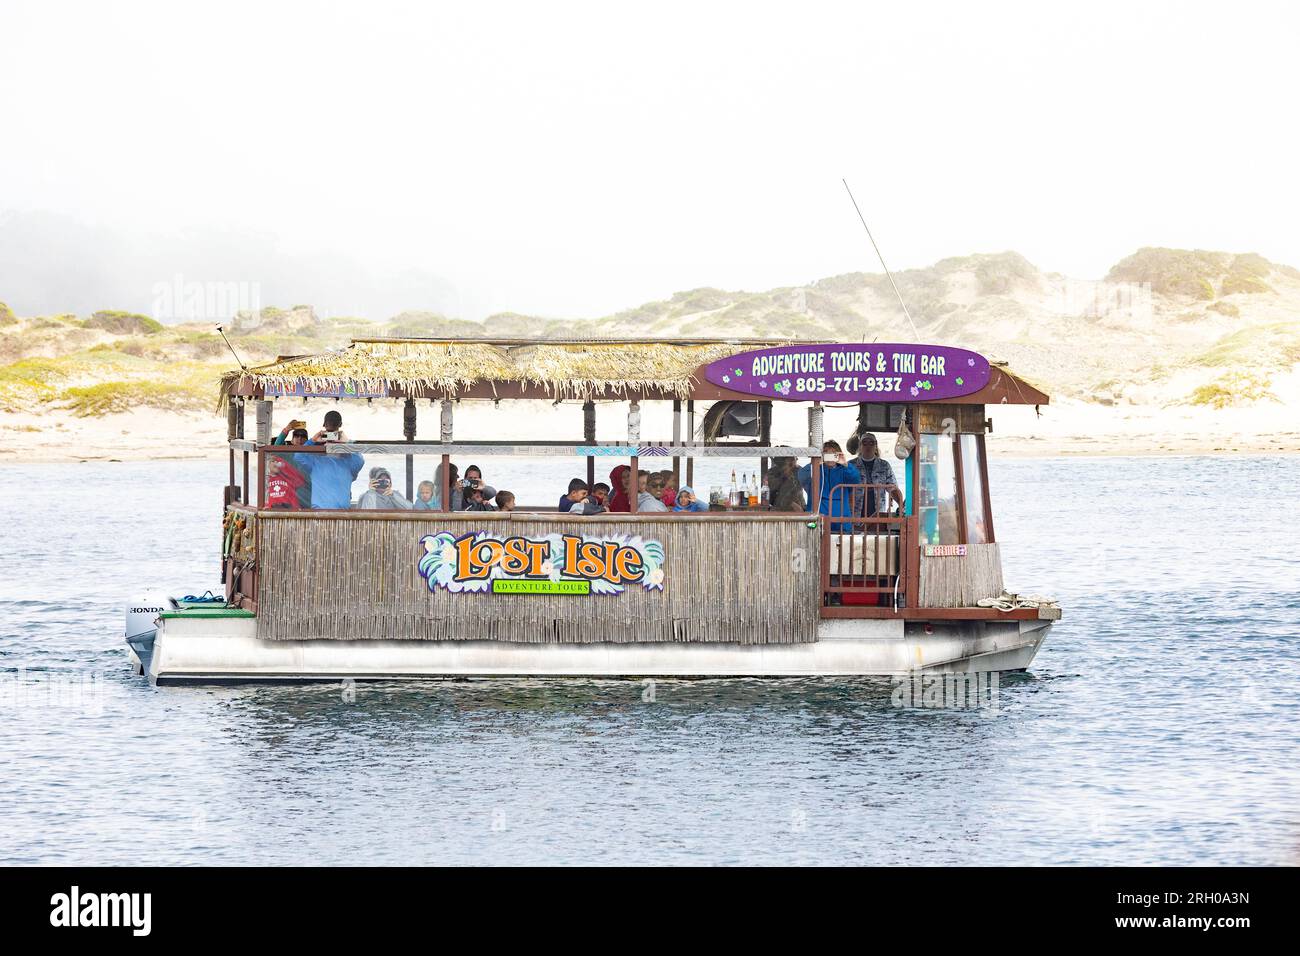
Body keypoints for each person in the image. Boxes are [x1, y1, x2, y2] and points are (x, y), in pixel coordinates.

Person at [293, 425, 364, 509]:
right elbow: (298, 456)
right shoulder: (316, 461)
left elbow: (360, 461)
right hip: (319, 513)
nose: (332, 444)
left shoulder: (348, 463)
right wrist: (313, 440)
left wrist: (347, 442)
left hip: (343, 514)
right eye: (328, 441)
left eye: (336, 441)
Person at [797, 441, 862, 530]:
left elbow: (856, 479)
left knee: (842, 542)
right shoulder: (816, 469)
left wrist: (846, 464)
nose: (830, 455)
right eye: (826, 453)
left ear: (838, 455)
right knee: (813, 540)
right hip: (817, 519)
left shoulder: (844, 470)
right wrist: (815, 462)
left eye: (833, 453)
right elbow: (802, 476)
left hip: (841, 520)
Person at [847, 431, 905, 515]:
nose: (868, 446)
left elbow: (893, 488)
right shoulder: (851, 465)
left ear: (875, 445)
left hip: (877, 512)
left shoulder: (884, 465)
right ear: (860, 446)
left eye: (871, 443)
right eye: (865, 443)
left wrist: (901, 505)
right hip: (855, 512)